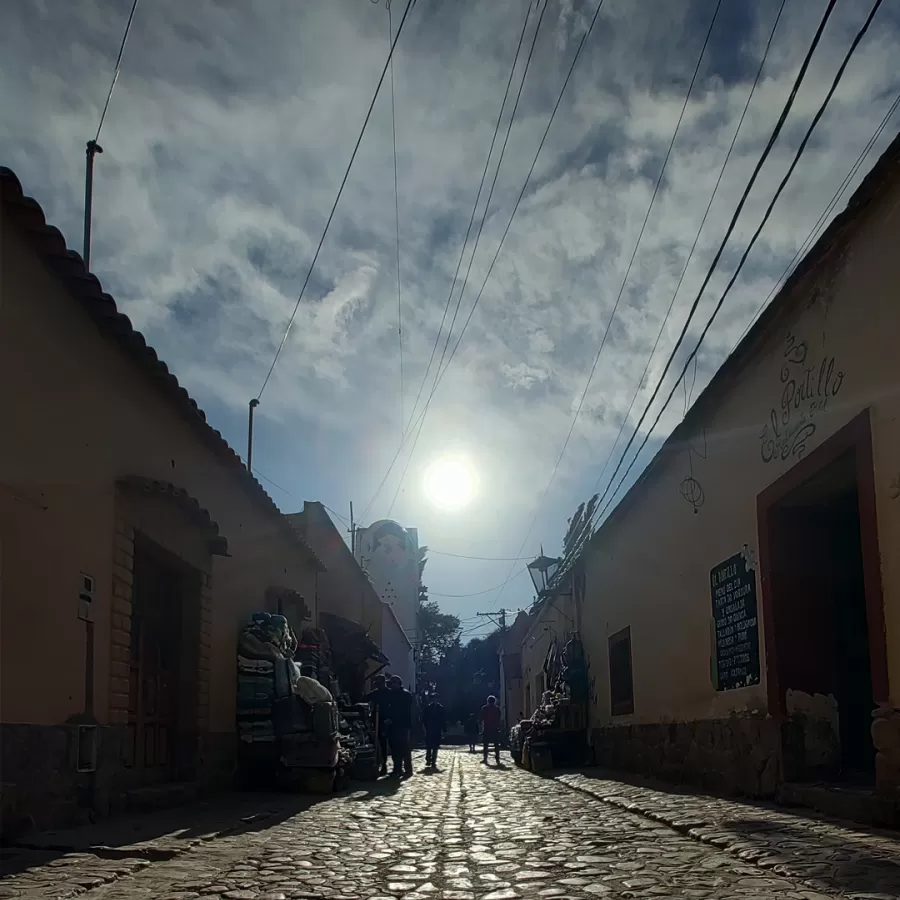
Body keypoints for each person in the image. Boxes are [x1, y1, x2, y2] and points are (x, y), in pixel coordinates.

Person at [384, 675, 414, 778]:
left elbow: (403, 712)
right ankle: (397, 769)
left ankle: (408, 769)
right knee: (394, 748)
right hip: (392, 726)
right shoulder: (392, 694)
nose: (391, 686)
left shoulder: (405, 695)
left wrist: (392, 719)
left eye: (392, 683)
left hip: (402, 725)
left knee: (404, 748)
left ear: (397, 683)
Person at [363, 673, 391, 776]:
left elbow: (394, 706)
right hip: (376, 719)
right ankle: (380, 763)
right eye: (377, 684)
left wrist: (390, 717)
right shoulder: (375, 693)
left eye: (379, 683)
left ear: (384, 683)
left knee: (386, 743)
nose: (378, 686)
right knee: (377, 742)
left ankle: (386, 764)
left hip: (386, 720)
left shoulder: (389, 693)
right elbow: (365, 698)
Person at [422, 694, 446, 768]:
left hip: (437, 730)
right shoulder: (428, 708)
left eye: (436, 698)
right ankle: (428, 759)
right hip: (429, 729)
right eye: (433, 699)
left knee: (435, 746)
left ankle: (433, 761)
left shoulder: (441, 708)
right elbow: (424, 719)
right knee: (429, 746)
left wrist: (443, 730)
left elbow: (443, 720)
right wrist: (424, 728)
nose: (435, 700)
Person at [479, 695, 502, 764]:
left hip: (487, 728)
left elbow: (481, 718)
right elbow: (499, 717)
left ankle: (485, 758)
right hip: (495, 728)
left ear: (487, 701)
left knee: (485, 745)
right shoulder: (497, 709)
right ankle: (497, 759)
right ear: (494, 701)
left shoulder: (485, 708)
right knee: (496, 745)